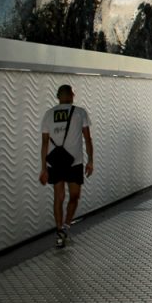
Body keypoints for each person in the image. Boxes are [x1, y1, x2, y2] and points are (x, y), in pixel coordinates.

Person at [39, 84, 94, 248]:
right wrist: (91, 160)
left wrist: (43, 167)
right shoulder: (73, 112)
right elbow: (88, 139)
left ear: (58, 96)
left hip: (62, 162)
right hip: (70, 162)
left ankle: (64, 227)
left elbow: (44, 143)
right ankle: (61, 230)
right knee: (68, 196)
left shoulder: (74, 113)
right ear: (70, 94)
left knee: (66, 196)